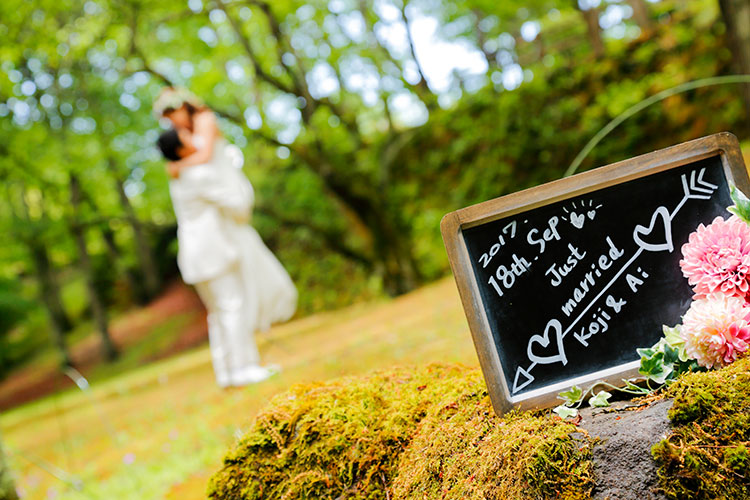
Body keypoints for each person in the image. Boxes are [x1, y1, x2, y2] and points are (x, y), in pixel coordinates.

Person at [153, 87, 297, 387]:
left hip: (194, 256)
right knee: (233, 306)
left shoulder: (178, 178)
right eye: (185, 138)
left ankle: (227, 372)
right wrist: (235, 173)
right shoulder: (198, 175)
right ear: (180, 150)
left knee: (218, 313)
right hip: (214, 252)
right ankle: (244, 368)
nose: (190, 137)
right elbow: (240, 207)